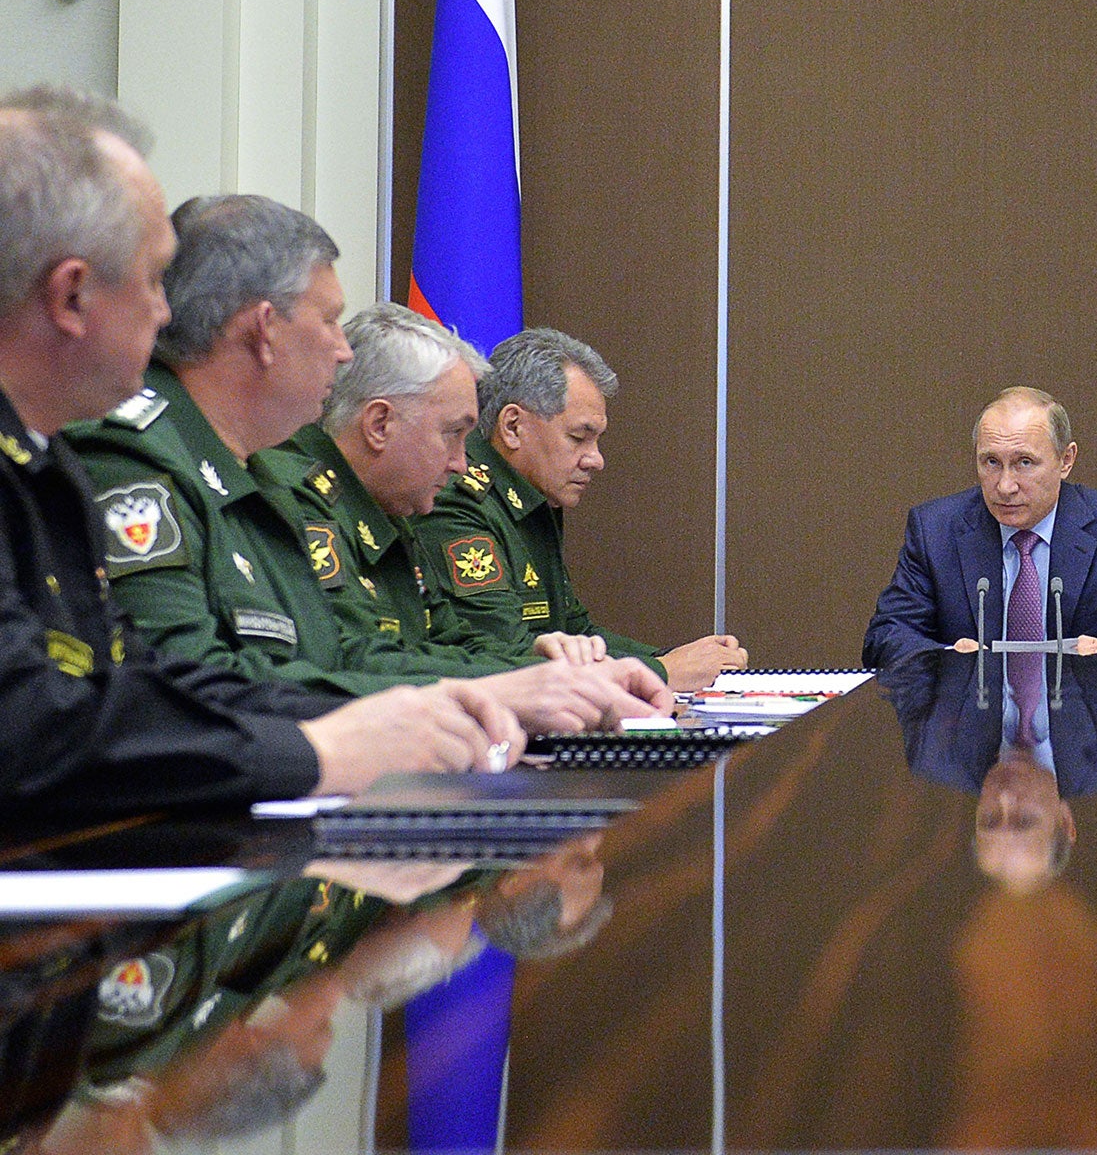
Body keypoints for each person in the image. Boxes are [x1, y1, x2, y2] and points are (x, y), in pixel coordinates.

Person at [0, 85, 525, 813]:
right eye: (152, 280)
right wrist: (320, 752)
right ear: (71, 297)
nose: (166, 311)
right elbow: (29, 722)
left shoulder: (45, 460)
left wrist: (393, 719)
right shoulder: (106, 458)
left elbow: (145, 683)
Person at [64, 191, 666, 729]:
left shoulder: (263, 471)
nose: (344, 349)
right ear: (265, 330)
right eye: (329, 321)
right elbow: (183, 690)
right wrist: (478, 696)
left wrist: (514, 685)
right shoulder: (135, 460)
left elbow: (340, 654)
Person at [251, 304, 616, 678]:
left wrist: (536, 663)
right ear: (380, 425)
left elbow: (452, 641)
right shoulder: (297, 501)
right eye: (452, 433)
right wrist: (530, 678)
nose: (462, 464)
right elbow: (355, 659)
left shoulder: (390, 508)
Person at [412, 327, 744, 691]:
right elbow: (504, 655)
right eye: (578, 438)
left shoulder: (534, 497)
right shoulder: (457, 501)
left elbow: (574, 631)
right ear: (513, 427)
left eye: (596, 440)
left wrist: (677, 659)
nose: (596, 460)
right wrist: (660, 671)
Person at [863, 387, 1097, 679]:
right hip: (974, 730)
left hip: (1084, 730)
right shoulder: (935, 529)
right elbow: (885, 638)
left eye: (1024, 462)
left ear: (1066, 460)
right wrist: (945, 659)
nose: (1005, 486)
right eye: (991, 462)